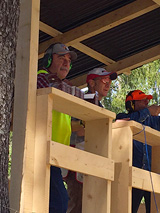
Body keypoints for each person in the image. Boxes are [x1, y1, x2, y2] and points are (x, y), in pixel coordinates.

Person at [65, 68, 117, 213]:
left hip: (93, 164)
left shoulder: (99, 106)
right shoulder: (82, 100)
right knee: (77, 205)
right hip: (77, 163)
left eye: (110, 82)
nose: (108, 85)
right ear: (91, 83)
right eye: (104, 81)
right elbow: (74, 131)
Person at [37, 43, 80, 213]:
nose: (66, 63)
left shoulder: (64, 85)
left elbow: (85, 100)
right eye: (61, 58)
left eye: (68, 60)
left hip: (54, 154)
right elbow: (53, 88)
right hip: (42, 150)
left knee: (52, 202)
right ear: (48, 60)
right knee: (59, 201)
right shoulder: (42, 77)